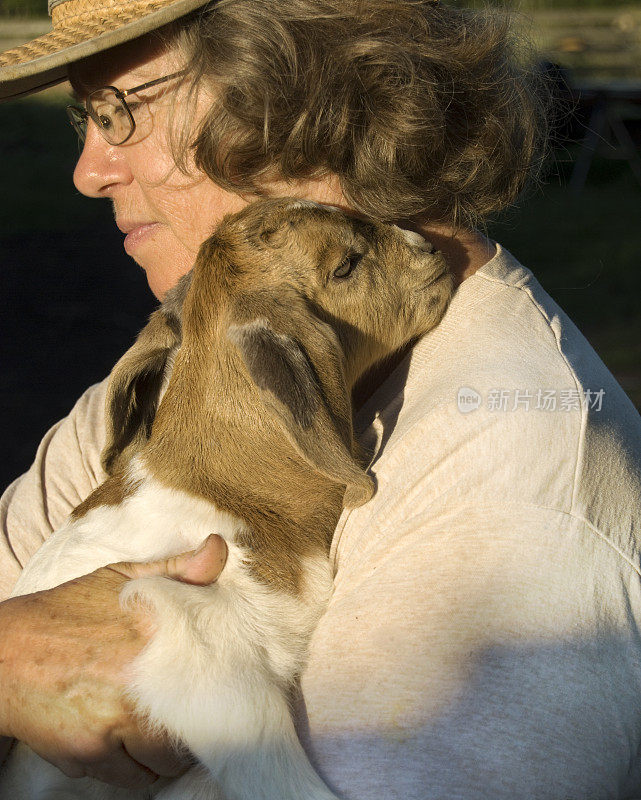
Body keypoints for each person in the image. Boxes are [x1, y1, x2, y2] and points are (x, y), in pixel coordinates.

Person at [1, 0, 640, 797]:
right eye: (84, 117)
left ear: (301, 94)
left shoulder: (512, 478)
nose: (89, 170)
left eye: (122, 111)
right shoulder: (209, 354)